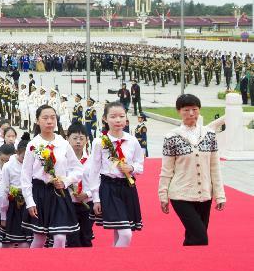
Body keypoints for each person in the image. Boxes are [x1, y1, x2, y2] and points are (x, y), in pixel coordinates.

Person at [159, 94, 226, 246]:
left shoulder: (209, 135)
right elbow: (167, 169)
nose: (191, 114)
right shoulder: (171, 137)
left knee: (193, 237)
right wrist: (163, 195)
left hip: (205, 194)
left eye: (194, 109)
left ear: (199, 110)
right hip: (180, 195)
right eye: (186, 110)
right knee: (201, 237)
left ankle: (188, 267)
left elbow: (214, 167)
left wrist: (220, 195)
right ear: (178, 111)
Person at [21, 105, 83, 248]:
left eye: (53, 118)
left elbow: (78, 169)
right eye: (45, 118)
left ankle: (57, 267)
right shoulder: (33, 145)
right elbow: (25, 176)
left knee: (60, 237)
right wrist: (30, 201)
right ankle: (34, 267)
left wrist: (66, 181)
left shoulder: (63, 143)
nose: (50, 121)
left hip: (59, 193)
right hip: (40, 193)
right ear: (37, 121)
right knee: (39, 238)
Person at [86, 102, 144, 248]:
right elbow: (93, 171)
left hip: (127, 187)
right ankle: (118, 262)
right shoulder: (99, 142)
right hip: (109, 188)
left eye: (121, 116)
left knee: (120, 231)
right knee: (125, 233)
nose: (118, 120)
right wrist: (96, 198)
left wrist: (131, 167)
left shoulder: (132, 141)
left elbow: (140, 165)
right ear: (105, 119)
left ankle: (115, 262)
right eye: (113, 116)